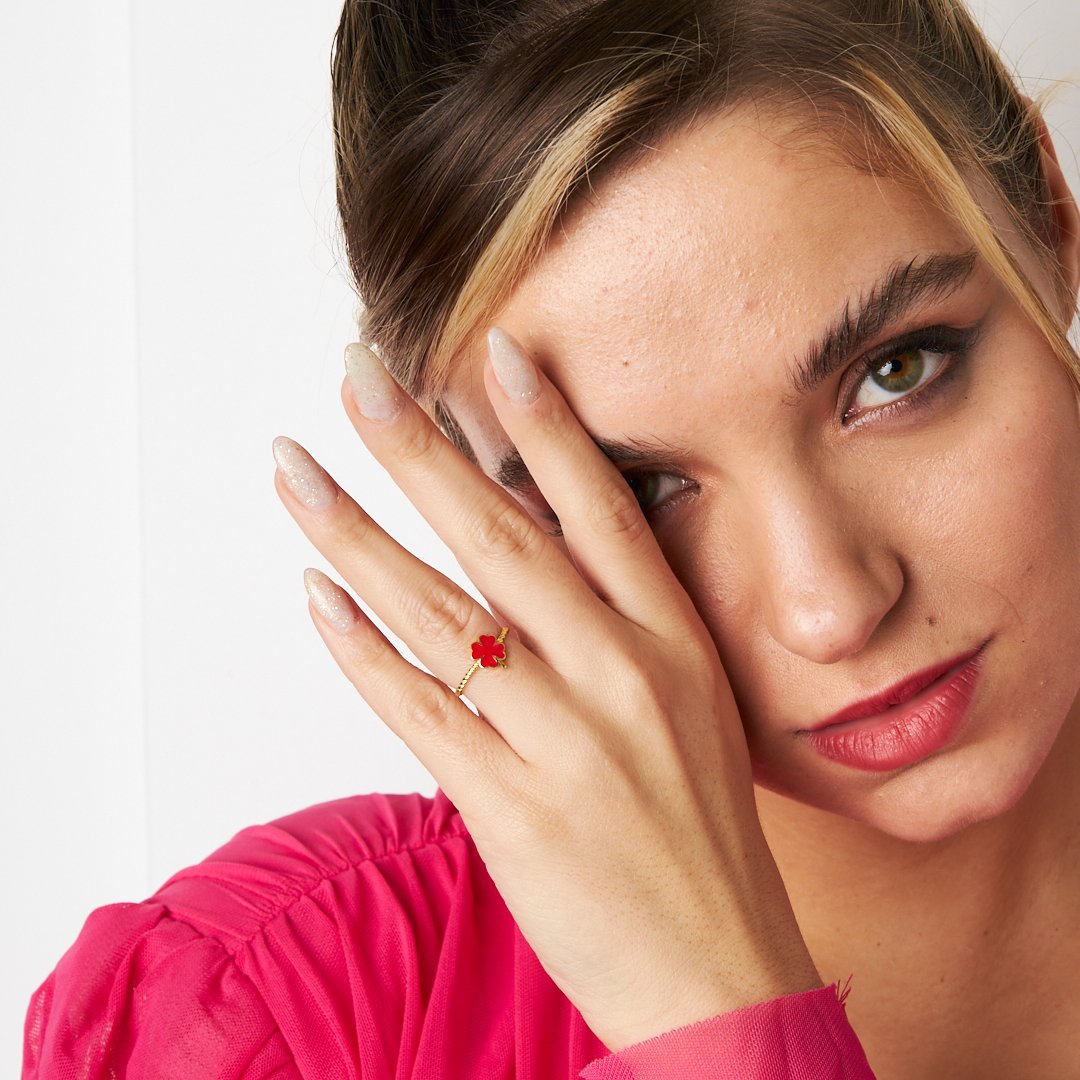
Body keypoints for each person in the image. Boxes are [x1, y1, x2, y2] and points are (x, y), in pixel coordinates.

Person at [22, 0, 1080, 1076]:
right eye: (640, 484)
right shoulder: (288, 1017)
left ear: (1047, 221)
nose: (835, 606)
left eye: (896, 371)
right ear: (475, 485)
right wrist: (716, 1019)